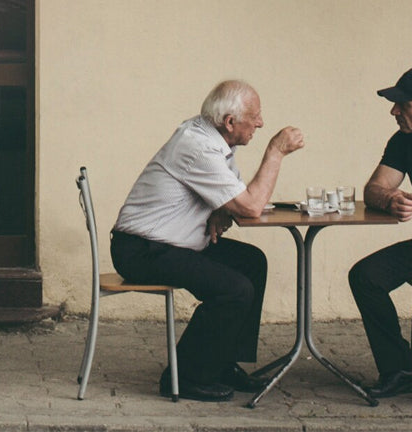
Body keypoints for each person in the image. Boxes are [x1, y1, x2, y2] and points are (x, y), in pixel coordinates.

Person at [110, 79, 304, 402]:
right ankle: (185, 376)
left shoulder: (214, 141)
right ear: (230, 122)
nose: (260, 123)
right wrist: (275, 151)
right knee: (234, 289)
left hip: (170, 243)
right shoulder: (198, 145)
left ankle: (221, 362)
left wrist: (220, 207)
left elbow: (236, 198)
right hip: (142, 250)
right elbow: (252, 205)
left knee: (252, 263)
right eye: (254, 116)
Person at [348, 66, 412, 399]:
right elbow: (373, 189)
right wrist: (391, 198)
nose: (394, 111)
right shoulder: (404, 140)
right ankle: (400, 369)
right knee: (366, 276)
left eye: (403, 104)